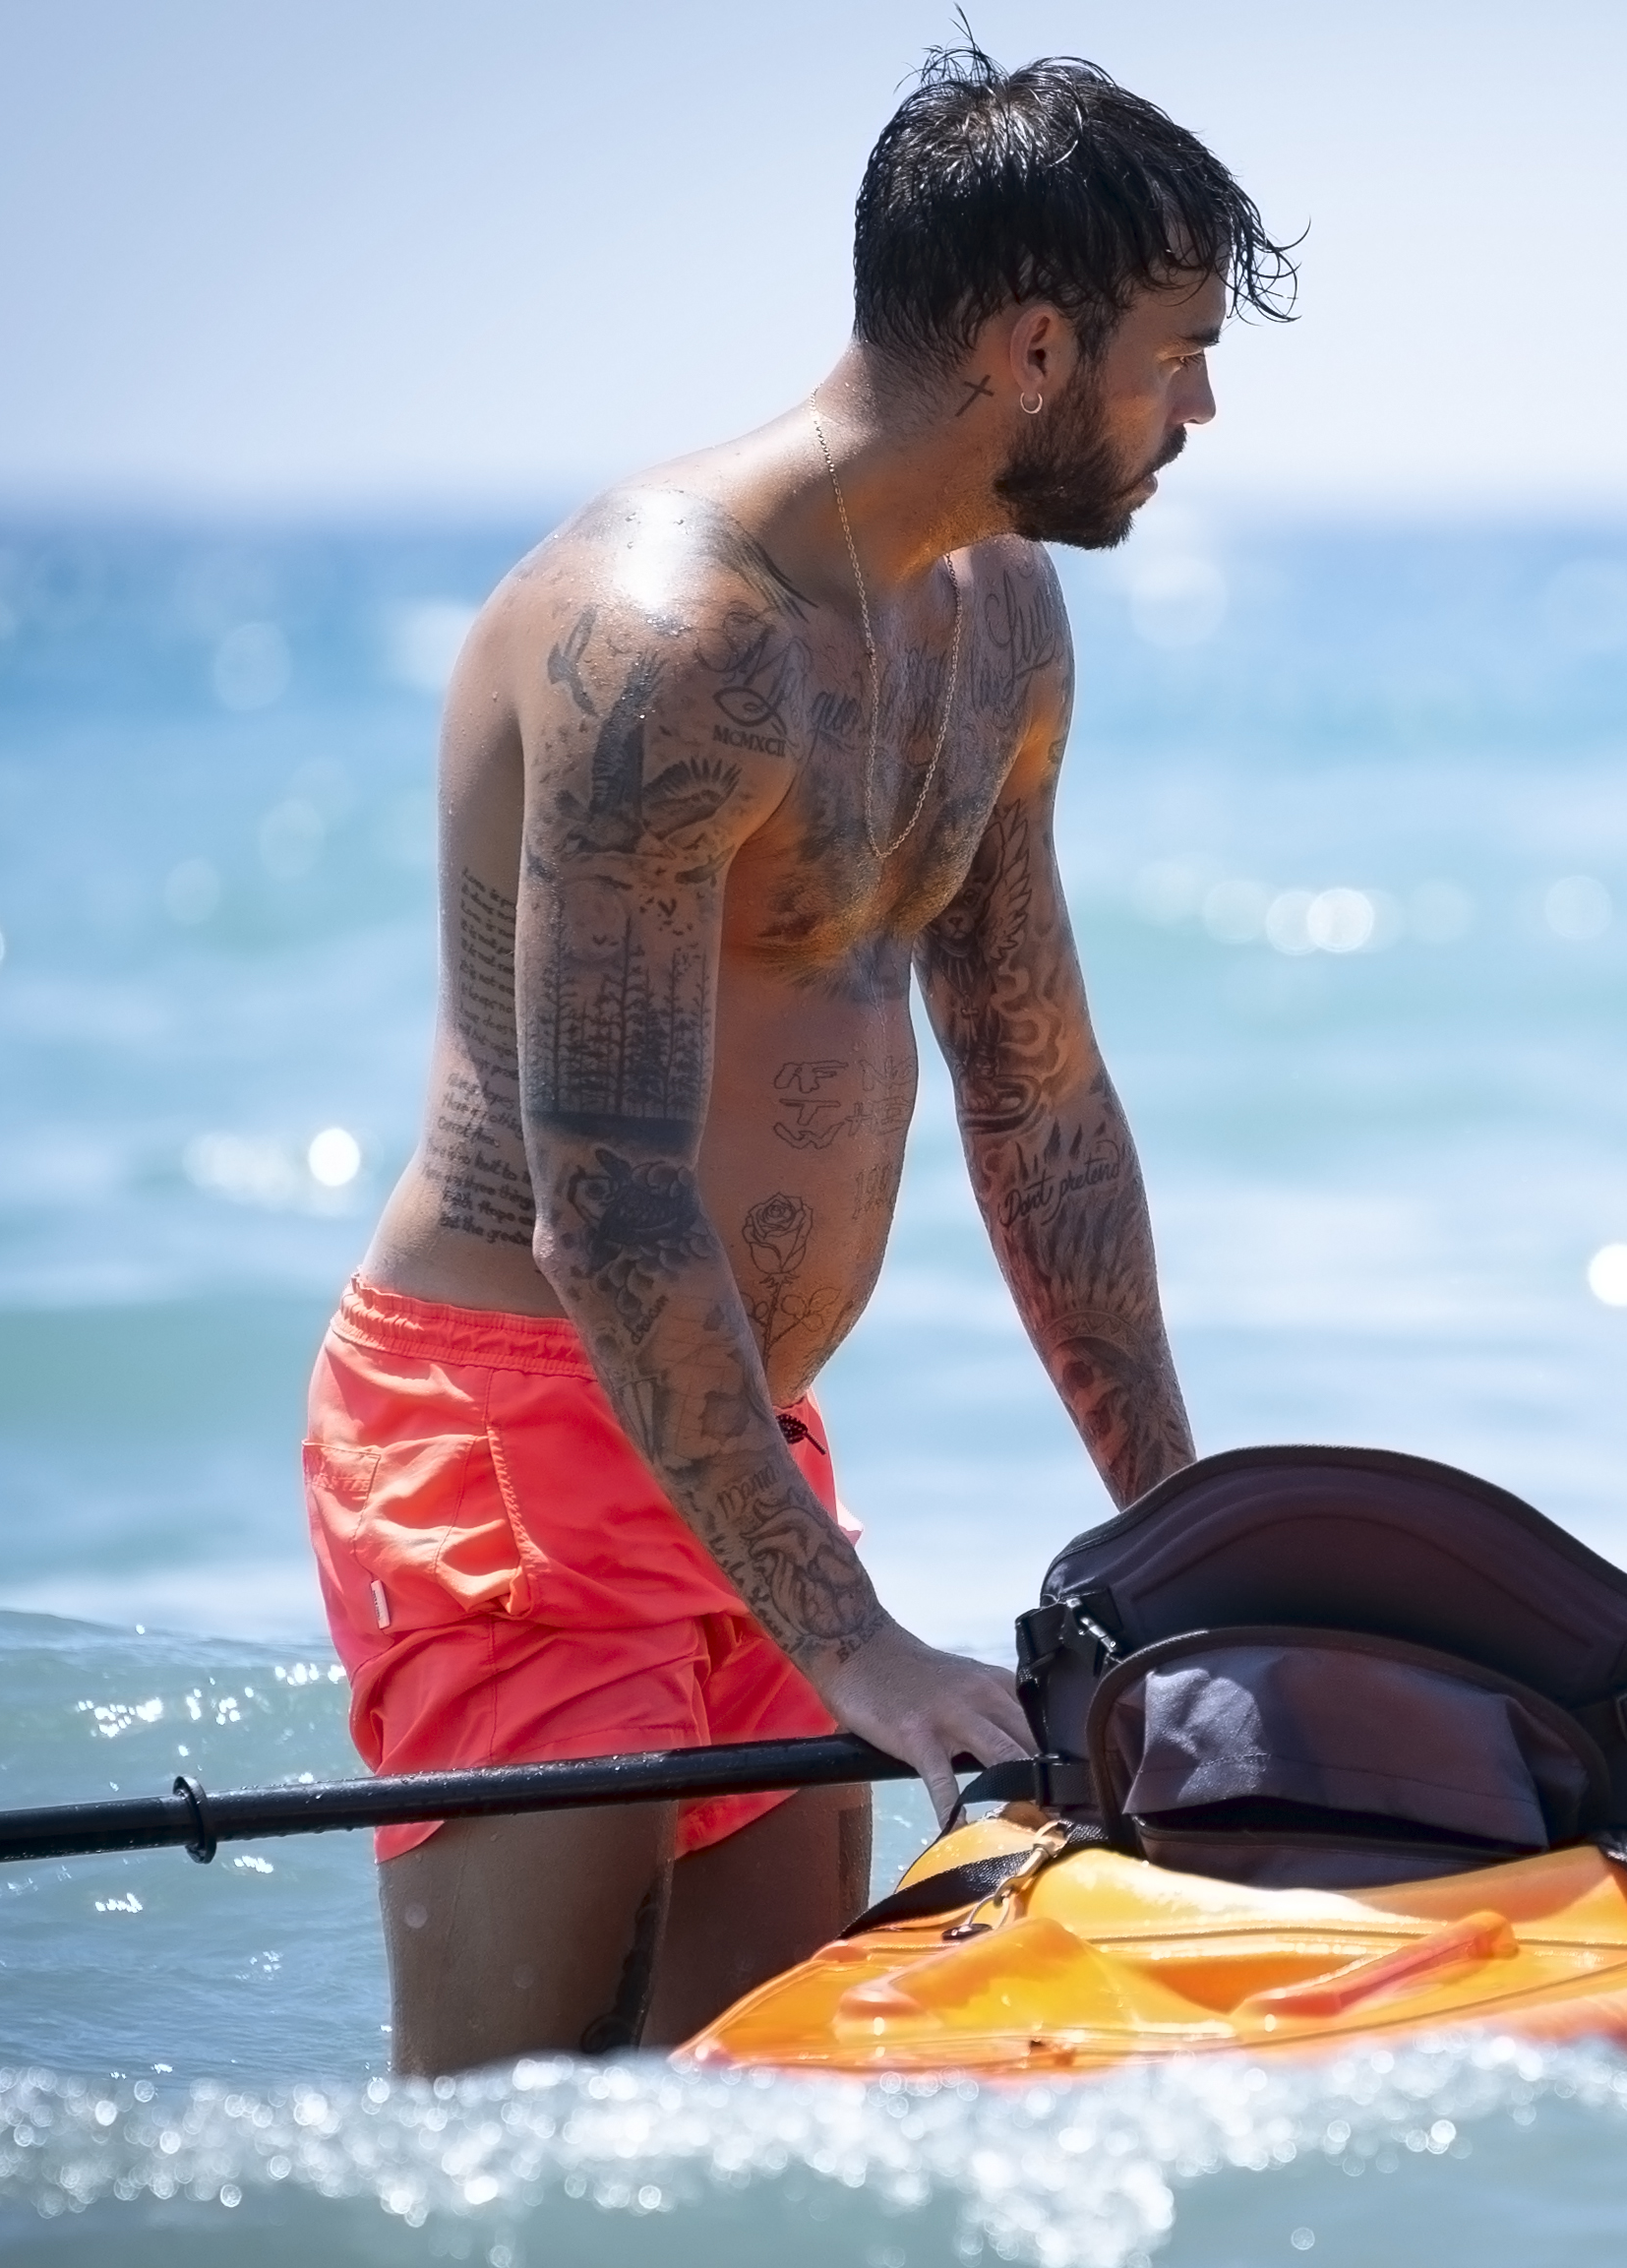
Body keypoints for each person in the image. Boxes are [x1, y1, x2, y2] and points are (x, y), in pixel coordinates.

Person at [302, 47, 1291, 2072]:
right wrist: (855, 1643)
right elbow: (605, 1201)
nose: (1198, 410)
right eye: (1177, 354)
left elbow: (1038, 1099)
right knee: (512, 2151)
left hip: (740, 1440)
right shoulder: (668, 637)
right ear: (1034, 347)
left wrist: (1188, 1548)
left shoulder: (999, 619)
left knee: (751, 2125)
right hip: (512, 1449)